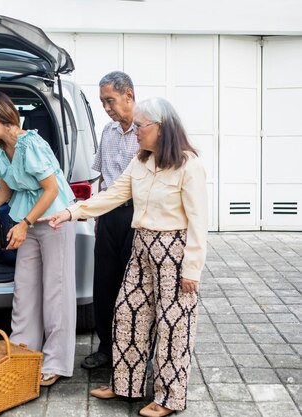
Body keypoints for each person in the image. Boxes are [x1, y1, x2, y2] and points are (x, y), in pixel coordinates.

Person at [40, 97, 207, 417]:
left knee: (174, 326)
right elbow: (113, 195)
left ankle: (169, 398)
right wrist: (71, 211)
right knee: (127, 312)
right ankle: (125, 385)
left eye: (141, 126)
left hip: (174, 251)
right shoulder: (141, 161)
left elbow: (199, 221)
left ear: (160, 127)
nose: (136, 133)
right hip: (141, 246)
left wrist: (193, 269)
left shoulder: (189, 164)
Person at [0, 91, 76, 386]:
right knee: (24, 290)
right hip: (26, 222)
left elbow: (51, 190)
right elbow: (3, 192)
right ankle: (22, 353)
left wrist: (25, 224)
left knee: (56, 293)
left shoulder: (31, 144)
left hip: (54, 219)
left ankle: (55, 362)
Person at [82, 71, 140, 370]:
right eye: (103, 102)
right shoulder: (108, 131)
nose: (106, 107)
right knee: (104, 283)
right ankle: (105, 347)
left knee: (134, 286)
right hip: (108, 216)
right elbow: (103, 175)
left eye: (110, 101)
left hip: (137, 216)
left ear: (128, 95)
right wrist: (98, 215)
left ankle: (132, 350)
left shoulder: (148, 131)